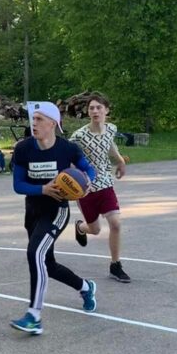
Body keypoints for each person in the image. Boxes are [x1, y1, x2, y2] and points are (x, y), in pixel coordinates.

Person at [10, 102, 97, 335]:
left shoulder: (68, 149)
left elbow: (89, 170)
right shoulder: (23, 149)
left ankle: (34, 316)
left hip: (57, 211)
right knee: (47, 264)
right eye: (33, 118)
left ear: (52, 124)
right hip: (33, 210)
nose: (34, 123)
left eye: (39, 119)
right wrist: (43, 189)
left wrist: (88, 183)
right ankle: (85, 287)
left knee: (34, 253)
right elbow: (18, 185)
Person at [70, 93, 131, 283]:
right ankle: (81, 227)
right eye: (91, 108)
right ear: (88, 112)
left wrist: (120, 161)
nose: (95, 111)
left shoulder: (111, 129)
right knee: (95, 229)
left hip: (105, 183)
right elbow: (69, 157)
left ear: (106, 110)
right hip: (86, 188)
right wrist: (73, 182)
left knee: (116, 223)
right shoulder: (79, 136)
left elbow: (109, 144)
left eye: (98, 107)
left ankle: (115, 265)